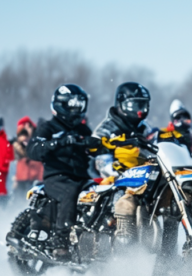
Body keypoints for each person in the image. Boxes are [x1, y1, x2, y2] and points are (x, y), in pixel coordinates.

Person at [28, 84, 99, 259]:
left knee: (101, 194)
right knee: (71, 191)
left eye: (79, 105)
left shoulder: (82, 129)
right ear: (62, 104)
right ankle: (60, 240)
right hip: (57, 176)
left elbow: (94, 147)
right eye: (73, 104)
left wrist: (98, 146)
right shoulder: (48, 127)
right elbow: (33, 149)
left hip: (82, 177)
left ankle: (95, 239)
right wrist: (58, 143)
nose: (76, 109)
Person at [93, 82, 155, 243]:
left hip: (140, 177)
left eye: (143, 104)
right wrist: (114, 169)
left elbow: (155, 147)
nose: (140, 110)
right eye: (135, 104)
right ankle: (121, 237)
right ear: (121, 104)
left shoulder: (144, 127)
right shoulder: (107, 127)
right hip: (111, 178)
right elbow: (99, 158)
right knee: (120, 196)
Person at [12, 116, 44, 200]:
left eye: (27, 127)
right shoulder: (18, 144)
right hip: (22, 178)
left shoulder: (37, 139)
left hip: (35, 176)